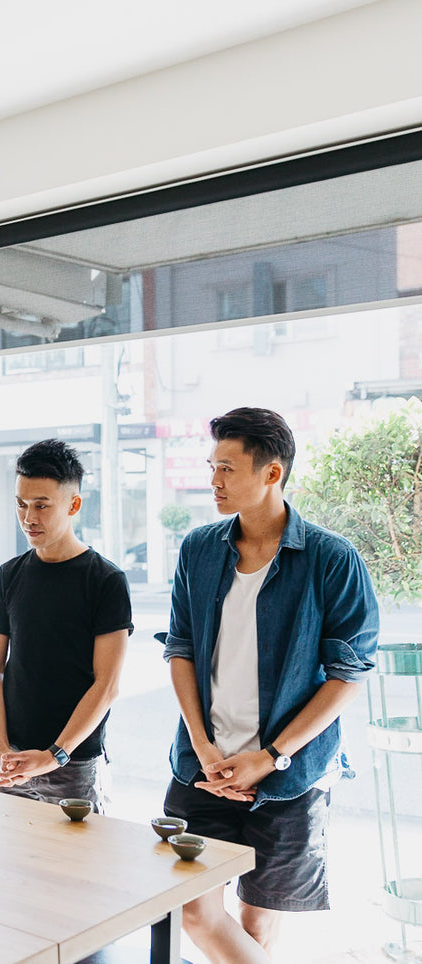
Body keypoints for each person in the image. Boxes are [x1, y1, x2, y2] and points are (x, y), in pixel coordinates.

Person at [161, 407, 378, 962]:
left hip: (291, 776)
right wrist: (205, 747)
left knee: (259, 930)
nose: (213, 481)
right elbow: (181, 650)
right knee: (193, 909)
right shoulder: (199, 549)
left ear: (272, 473)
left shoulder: (332, 559)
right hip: (201, 767)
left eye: (227, 469)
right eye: (213, 467)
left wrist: (271, 756)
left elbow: (348, 675)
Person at [0, 439, 132, 809]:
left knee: (77, 867)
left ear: (74, 504)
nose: (29, 517)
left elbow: (107, 685)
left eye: (42, 505)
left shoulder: (105, 580)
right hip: (10, 762)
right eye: (21, 504)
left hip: (74, 765)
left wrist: (55, 754)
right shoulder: (9, 575)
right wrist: (1, 746)